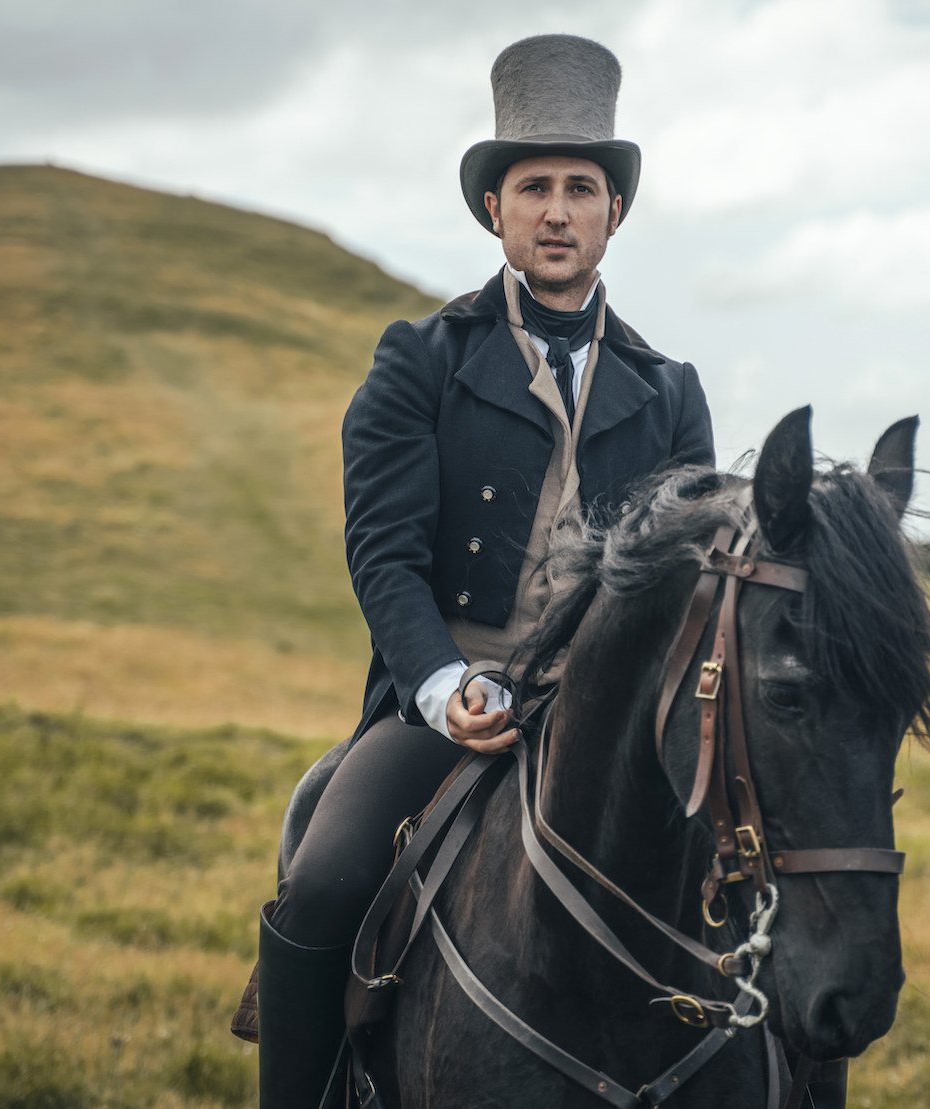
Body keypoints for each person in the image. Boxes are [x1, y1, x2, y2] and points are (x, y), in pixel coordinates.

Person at [254, 34, 713, 1107]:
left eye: (582, 189)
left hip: (610, 716)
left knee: (767, 891)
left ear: (614, 213)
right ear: (494, 213)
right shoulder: (421, 359)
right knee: (323, 885)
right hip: (445, 706)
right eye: (534, 188)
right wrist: (438, 687)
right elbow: (385, 551)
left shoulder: (673, 388)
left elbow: (686, 577)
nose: (558, 210)